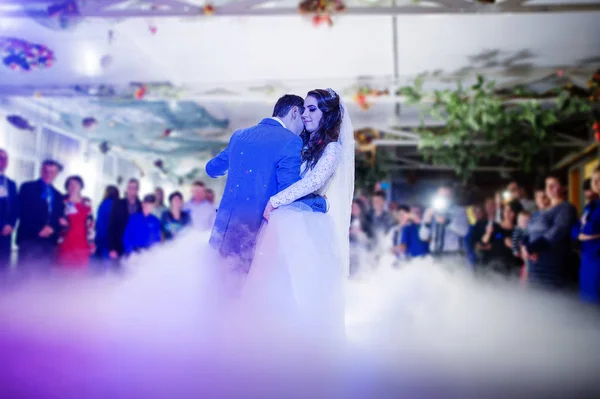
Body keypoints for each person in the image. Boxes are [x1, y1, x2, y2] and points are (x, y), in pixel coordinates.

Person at [248, 88, 353, 340]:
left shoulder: (332, 149)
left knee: (304, 289)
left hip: (307, 225)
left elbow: (313, 181)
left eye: (312, 109)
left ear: (327, 114)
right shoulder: (302, 143)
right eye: (304, 109)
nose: (304, 114)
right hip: (286, 221)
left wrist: (275, 201)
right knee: (274, 284)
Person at [206, 94, 328, 276]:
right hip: (253, 236)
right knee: (244, 298)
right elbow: (289, 192)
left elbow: (211, 169)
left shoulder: (239, 135)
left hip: (221, 233)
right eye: (302, 119)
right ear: (295, 112)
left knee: (216, 290)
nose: (303, 129)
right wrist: (321, 203)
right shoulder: (290, 141)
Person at [526, 174, 578, 289]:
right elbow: (528, 231)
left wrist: (533, 246)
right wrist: (527, 245)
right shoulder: (542, 211)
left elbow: (558, 231)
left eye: (554, 185)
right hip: (535, 265)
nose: (549, 189)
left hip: (554, 265)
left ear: (564, 188)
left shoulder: (567, 208)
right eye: (547, 185)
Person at [16, 160, 65, 269]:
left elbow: (59, 217)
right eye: (46, 171)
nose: (48, 174)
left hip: (49, 241)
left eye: (52, 172)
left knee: (43, 277)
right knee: (25, 275)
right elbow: (23, 212)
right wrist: (39, 229)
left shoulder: (58, 195)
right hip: (29, 238)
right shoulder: (27, 187)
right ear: (41, 171)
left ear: (56, 174)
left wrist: (52, 228)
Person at [56, 176, 93, 268]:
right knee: (63, 270)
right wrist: (59, 221)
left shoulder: (86, 202)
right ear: (67, 186)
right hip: (65, 241)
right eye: (70, 184)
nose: (73, 186)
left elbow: (91, 223)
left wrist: (92, 242)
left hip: (82, 241)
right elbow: (54, 217)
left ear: (80, 186)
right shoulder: (61, 201)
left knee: (80, 272)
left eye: (76, 184)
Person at [577, 166, 600, 304]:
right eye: (594, 180)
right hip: (587, 262)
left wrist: (585, 234)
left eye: (599, 180)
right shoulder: (591, 206)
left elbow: (587, 229)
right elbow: (576, 228)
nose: (596, 183)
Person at [108, 178, 141, 260]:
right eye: (129, 187)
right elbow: (112, 226)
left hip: (136, 249)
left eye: (134, 188)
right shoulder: (118, 204)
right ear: (127, 189)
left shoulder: (141, 206)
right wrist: (112, 248)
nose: (131, 190)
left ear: (137, 190)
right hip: (119, 246)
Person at [0, 149, 18, 270]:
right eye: (0, 158)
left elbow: (16, 207)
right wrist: (2, 224)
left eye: (5, 159)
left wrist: (11, 225)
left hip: (6, 234)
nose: (3, 161)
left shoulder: (11, 183)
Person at [94, 186, 119, 261]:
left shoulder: (103, 204)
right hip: (113, 239)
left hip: (102, 237)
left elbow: (99, 222)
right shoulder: (118, 205)